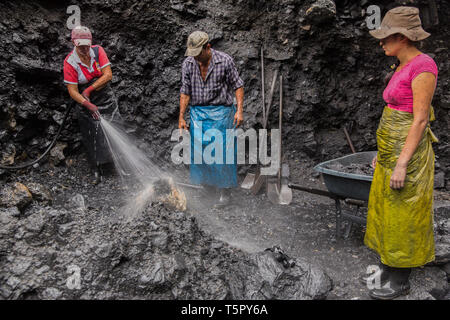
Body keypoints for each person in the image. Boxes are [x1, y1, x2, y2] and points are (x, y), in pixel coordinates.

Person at [362, 7, 439, 300]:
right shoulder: (399, 65)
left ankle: (400, 278)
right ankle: (387, 264)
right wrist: (383, 154)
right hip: (391, 148)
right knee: (385, 208)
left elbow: (419, 119)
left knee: (404, 212)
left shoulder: (424, 67)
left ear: (403, 38)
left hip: (408, 153)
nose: (382, 43)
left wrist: (402, 164)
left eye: (386, 37)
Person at [179, 31, 244, 207]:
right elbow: (185, 91)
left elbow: (238, 86)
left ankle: (225, 192)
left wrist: (239, 110)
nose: (196, 58)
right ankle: (207, 186)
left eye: (198, 53)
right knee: (200, 152)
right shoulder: (188, 64)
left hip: (221, 112)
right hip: (198, 112)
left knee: (222, 152)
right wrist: (181, 117)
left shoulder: (225, 61)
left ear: (208, 47)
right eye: (193, 54)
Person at [63, 26, 119, 184]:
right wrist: (87, 103)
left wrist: (89, 89)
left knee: (115, 125)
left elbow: (108, 75)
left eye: (86, 45)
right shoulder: (70, 62)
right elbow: (73, 91)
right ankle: (97, 168)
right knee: (92, 135)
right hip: (85, 102)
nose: (84, 49)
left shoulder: (97, 51)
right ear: (74, 43)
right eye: (81, 46)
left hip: (105, 97)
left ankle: (117, 165)